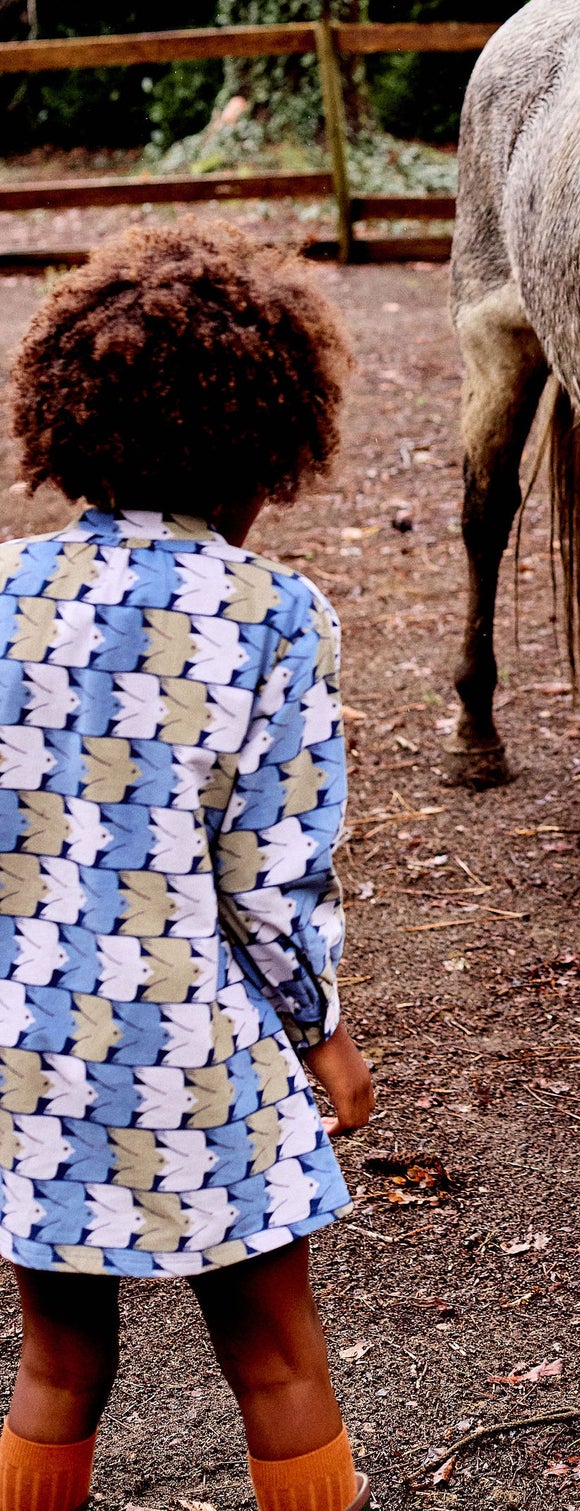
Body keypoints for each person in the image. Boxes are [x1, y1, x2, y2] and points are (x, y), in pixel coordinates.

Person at [0, 226, 373, 1511]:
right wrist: (322, 1032)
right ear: (266, 444)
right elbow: (273, 875)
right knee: (274, 1356)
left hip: (27, 1046)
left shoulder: (5, 592)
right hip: (192, 1049)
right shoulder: (273, 615)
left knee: (56, 1358)